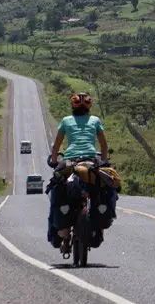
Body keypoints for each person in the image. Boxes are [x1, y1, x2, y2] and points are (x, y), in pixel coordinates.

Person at [47, 92, 111, 251]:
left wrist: (54, 160)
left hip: (70, 161)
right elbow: (103, 145)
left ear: (72, 106)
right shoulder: (95, 120)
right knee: (104, 187)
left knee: (56, 188)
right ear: (89, 107)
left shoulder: (66, 121)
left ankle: (59, 233)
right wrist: (103, 161)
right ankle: (98, 227)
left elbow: (56, 146)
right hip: (91, 160)